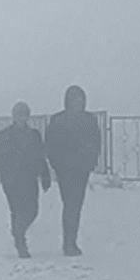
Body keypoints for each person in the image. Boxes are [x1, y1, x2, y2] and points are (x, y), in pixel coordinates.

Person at [0, 102, 51, 258]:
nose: (21, 118)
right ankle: (20, 242)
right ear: (13, 116)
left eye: (24, 114)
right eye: (18, 114)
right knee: (17, 210)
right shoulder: (4, 136)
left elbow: (40, 157)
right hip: (11, 179)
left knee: (33, 211)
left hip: (30, 178)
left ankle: (18, 231)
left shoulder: (34, 135)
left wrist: (45, 176)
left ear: (28, 116)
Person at [44, 85, 102, 257]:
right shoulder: (58, 120)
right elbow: (50, 145)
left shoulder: (89, 120)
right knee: (70, 204)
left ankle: (71, 242)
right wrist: (56, 163)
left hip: (81, 169)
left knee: (75, 205)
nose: (79, 103)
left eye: (81, 99)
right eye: (75, 99)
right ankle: (69, 243)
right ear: (68, 101)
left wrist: (90, 162)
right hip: (65, 170)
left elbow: (96, 142)